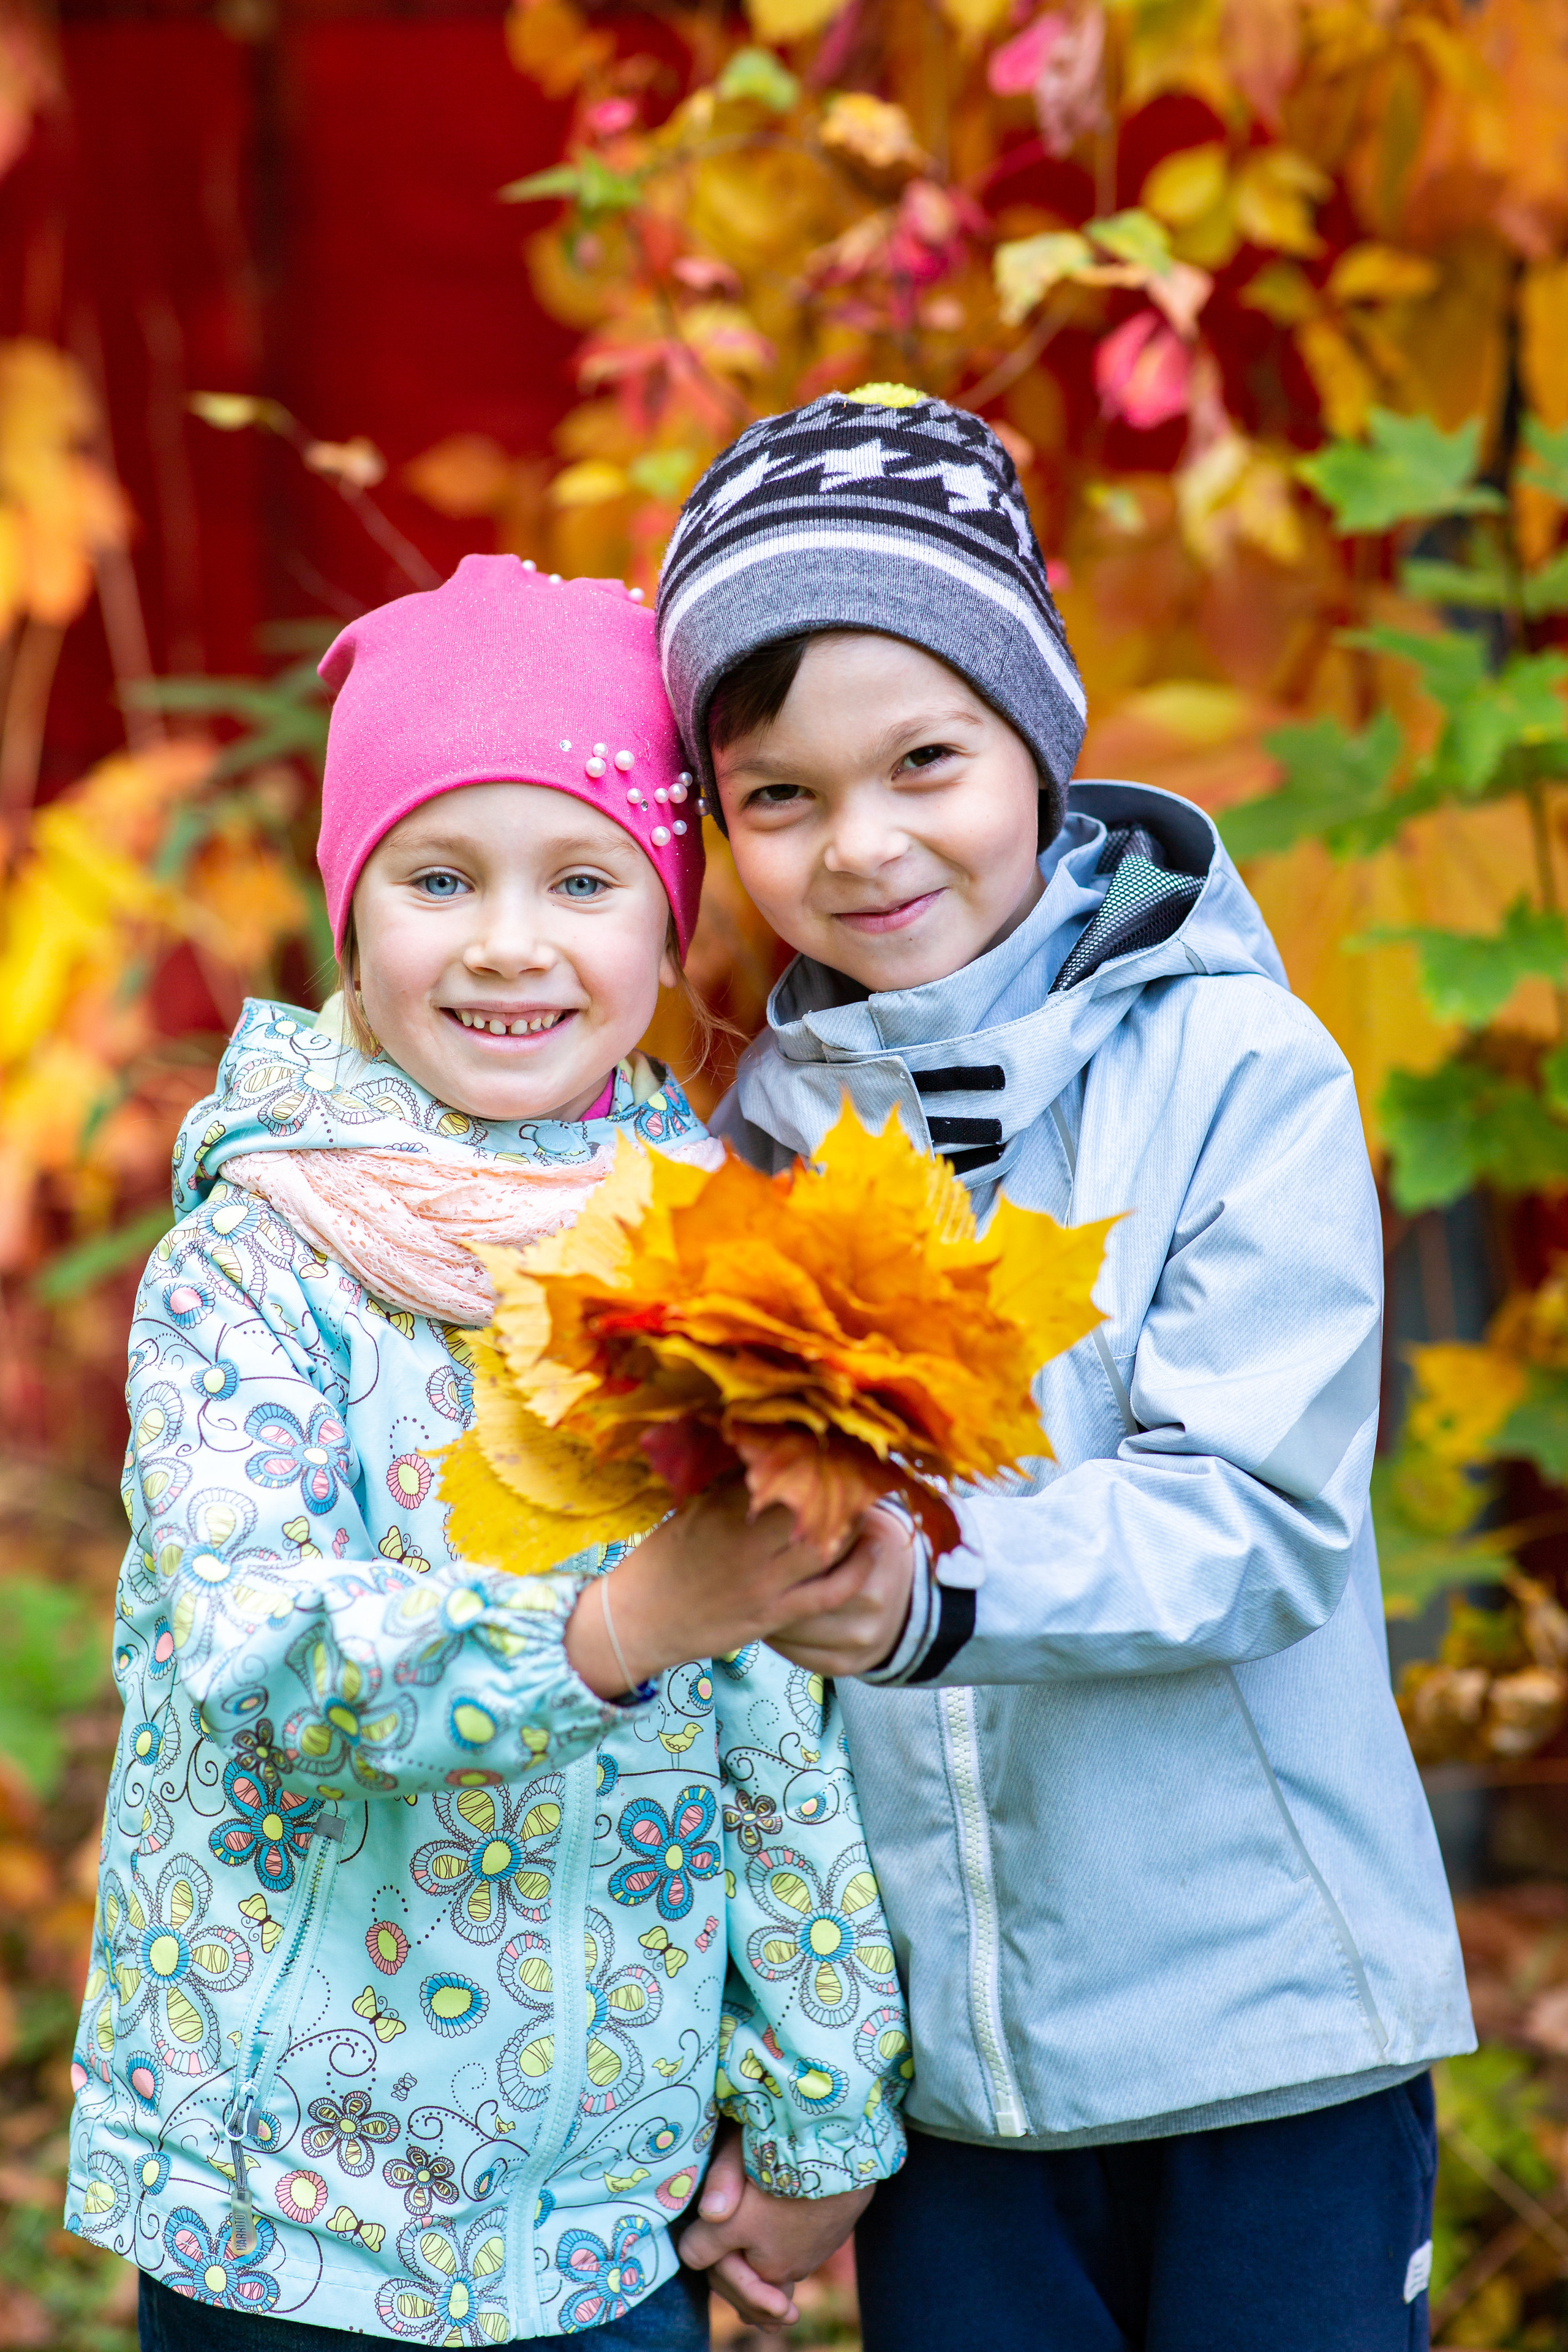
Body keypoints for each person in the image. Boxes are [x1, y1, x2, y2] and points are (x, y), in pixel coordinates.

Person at [660, 390, 1473, 2351]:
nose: (863, 846)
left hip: (1269, 2038)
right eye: (777, 795)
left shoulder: (1238, 1073)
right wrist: (787, 2071)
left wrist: (929, 1585)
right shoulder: (741, 1146)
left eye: (924, 759)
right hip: (953, 2097)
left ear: (1037, 734)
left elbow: (1257, 1518)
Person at [65, 554, 910, 2350]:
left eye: (583, 880)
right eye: (441, 878)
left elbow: (782, 1733)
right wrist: (605, 1634)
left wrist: (825, 2111)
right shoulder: (261, 1260)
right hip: (273, 2204)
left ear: (670, 921)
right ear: (352, 911)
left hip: (598, 2223)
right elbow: (254, 1641)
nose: (510, 943)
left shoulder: (713, 1262)